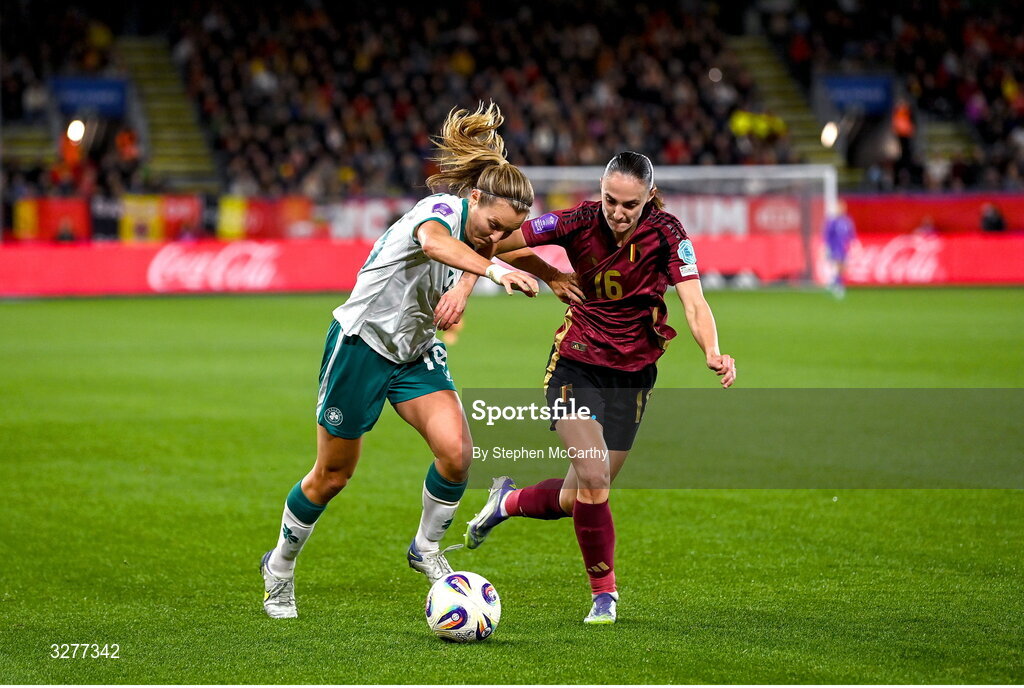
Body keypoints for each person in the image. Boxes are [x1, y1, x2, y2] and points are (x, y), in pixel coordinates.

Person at [260, 103, 545, 619]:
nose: (497, 238)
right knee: (333, 475)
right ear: (473, 197)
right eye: (494, 225)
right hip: (361, 345)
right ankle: (278, 567)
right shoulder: (436, 211)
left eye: (506, 231)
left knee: (457, 453)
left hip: (414, 352)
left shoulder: (483, 233)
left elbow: (504, 247)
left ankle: (426, 550)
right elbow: (436, 243)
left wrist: (539, 276)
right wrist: (493, 274)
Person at [462, 151, 737, 624]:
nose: (617, 212)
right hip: (577, 361)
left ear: (649, 198)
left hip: (633, 374)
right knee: (593, 478)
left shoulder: (668, 234)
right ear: (601, 190)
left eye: (630, 204)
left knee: (580, 496)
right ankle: (604, 596)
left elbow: (694, 301)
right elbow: (495, 240)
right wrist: (534, 275)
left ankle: (504, 502)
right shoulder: (576, 220)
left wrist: (712, 350)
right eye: (610, 199)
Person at [822, 199, 858, 298]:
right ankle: (838, 286)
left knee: (843, 267)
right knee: (838, 264)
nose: (840, 209)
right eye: (838, 207)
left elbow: (851, 234)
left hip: (845, 247)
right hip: (835, 246)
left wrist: (854, 244)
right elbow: (826, 235)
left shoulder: (847, 221)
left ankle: (833, 282)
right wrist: (826, 247)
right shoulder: (832, 221)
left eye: (842, 207)